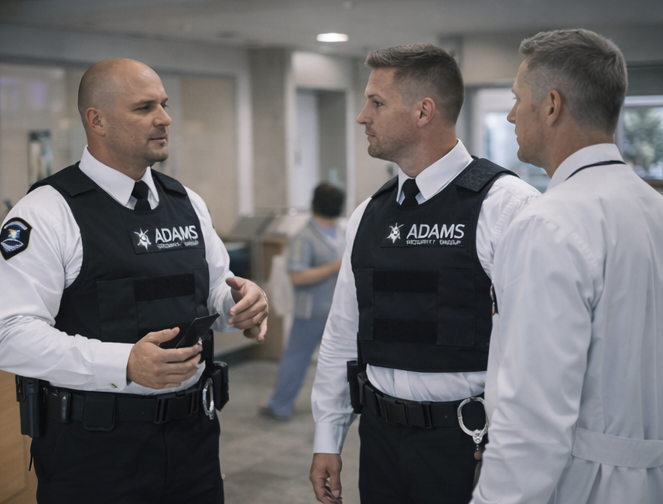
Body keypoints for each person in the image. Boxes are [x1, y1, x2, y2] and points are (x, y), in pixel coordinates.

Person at [0, 58, 268, 504]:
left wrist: (239, 303)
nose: (165, 118)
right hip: (95, 453)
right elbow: (7, 336)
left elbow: (213, 289)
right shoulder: (47, 212)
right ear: (96, 120)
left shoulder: (186, 202)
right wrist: (123, 364)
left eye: (164, 104)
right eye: (144, 107)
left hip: (193, 441)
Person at [308, 43, 541, 504]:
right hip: (379, 440)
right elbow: (342, 334)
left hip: (467, 443)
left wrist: (517, 446)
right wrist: (327, 437)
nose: (362, 116)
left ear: (423, 111)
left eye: (376, 102)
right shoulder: (368, 215)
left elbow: (535, 346)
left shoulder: (506, 206)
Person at [470, 29, 663, 504]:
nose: (512, 115)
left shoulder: (548, 225)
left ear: (552, 105)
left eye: (518, 98)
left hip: (584, 485)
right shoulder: (652, 209)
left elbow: (532, 416)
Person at [259, 183, 346, 421]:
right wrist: (333, 267)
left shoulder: (342, 232)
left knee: (341, 361)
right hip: (311, 311)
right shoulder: (304, 237)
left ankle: (344, 406)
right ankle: (279, 404)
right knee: (297, 358)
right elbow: (298, 276)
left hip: (338, 310)